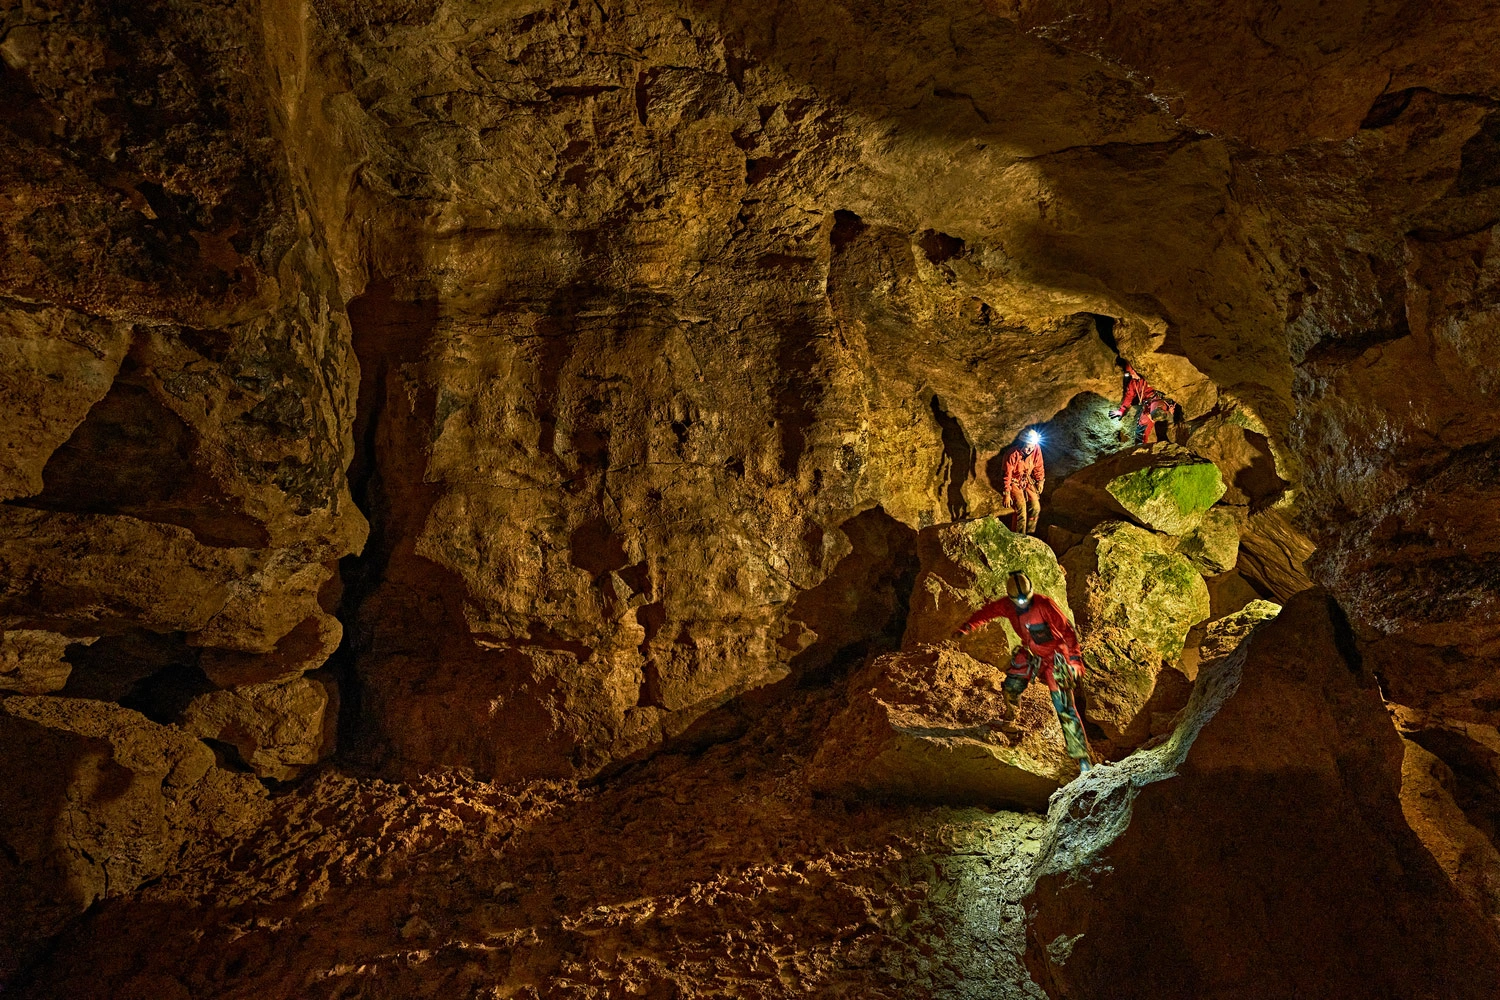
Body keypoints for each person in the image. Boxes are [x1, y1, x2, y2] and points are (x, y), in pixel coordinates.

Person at [952, 570, 1093, 773]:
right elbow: (987, 612)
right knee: (1012, 685)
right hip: (1031, 653)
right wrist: (967, 627)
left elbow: (1067, 631)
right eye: (1017, 601)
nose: (1022, 604)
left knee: (1064, 705)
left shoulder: (1044, 604)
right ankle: (1011, 719)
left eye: (1025, 600)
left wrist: (1075, 660)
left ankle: (1082, 760)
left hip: (1055, 658)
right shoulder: (1007, 606)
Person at [1110, 362, 1174, 446]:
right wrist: (1122, 410)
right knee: (1141, 427)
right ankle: (1140, 448)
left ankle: (1169, 419)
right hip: (1146, 404)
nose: (1131, 376)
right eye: (1129, 374)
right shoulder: (1134, 382)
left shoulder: (1148, 378)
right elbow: (1129, 395)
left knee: (1158, 413)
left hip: (1157, 400)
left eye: (1132, 373)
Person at [1001, 429, 1044, 535]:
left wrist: (1040, 481)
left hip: (1026, 480)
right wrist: (1007, 494)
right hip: (1014, 482)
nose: (1030, 449)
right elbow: (1007, 475)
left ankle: (1030, 534)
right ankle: (1019, 536)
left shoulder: (1036, 449)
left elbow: (1039, 466)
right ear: (1022, 444)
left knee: (1036, 507)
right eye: (1027, 446)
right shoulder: (1012, 454)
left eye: (1032, 447)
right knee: (1021, 509)